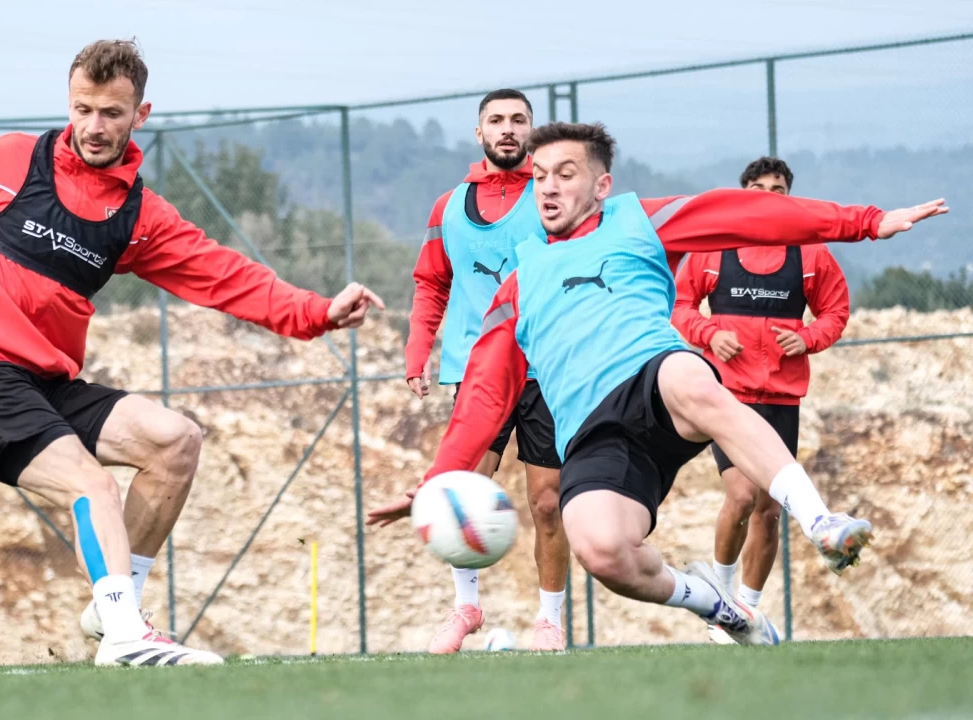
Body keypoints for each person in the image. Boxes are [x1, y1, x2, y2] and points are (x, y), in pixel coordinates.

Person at [0, 39, 383, 667]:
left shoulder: (139, 216)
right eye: (82, 109)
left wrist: (315, 312)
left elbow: (223, 274)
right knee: (91, 484)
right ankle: (125, 637)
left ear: (140, 115)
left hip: (46, 385)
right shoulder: (13, 161)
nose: (94, 126)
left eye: (111, 113)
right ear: (69, 103)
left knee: (174, 442)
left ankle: (113, 610)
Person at [369, 121, 946, 645]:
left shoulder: (636, 222)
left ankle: (822, 521)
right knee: (602, 551)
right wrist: (436, 483)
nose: (547, 188)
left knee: (690, 381)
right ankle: (720, 608)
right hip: (592, 433)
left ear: (602, 185)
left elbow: (748, 214)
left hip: (654, 378)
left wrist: (865, 223)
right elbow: (482, 397)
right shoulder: (518, 285)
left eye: (566, 174)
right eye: (539, 176)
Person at [401, 89, 569, 653]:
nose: (507, 129)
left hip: (546, 370)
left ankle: (549, 621)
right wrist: (417, 352)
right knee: (462, 493)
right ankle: (466, 608)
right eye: (496, 120)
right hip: (477, 372)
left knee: (548, 502)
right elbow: (431, 282)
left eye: (518, 120)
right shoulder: (448, 207)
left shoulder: (550, 198)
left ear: (532, 131)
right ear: (479, 133)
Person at [672, 157, 850, 644]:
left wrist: (807, 338)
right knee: (740, 496)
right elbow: (680, 304)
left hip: (780, 398)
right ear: (742, 195)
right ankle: (720, 602)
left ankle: (745, 611)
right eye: (758, 188)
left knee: (769, 512)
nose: (768, 196)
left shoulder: (811, 254)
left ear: (790, 197)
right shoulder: (715, 247)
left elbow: (835, 311)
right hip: (727, 396)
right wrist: (709, 334)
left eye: (778, 189)